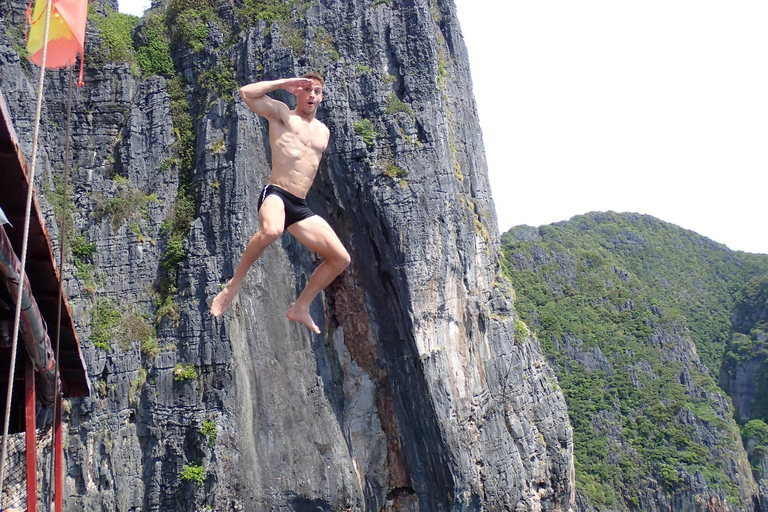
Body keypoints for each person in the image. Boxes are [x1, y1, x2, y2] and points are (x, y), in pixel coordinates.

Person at [210, 74, 350, 334]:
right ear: (297, 92)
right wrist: (283, 84)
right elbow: (246, 93)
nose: (311, 94)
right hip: (276, 193)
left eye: (316, 91)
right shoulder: (282, 115)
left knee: (340, 258)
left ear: (321, 97)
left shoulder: (323, 132)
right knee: (272, 230)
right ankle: (233, 285)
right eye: (306, 89)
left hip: (299, 204)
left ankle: (300, 307)